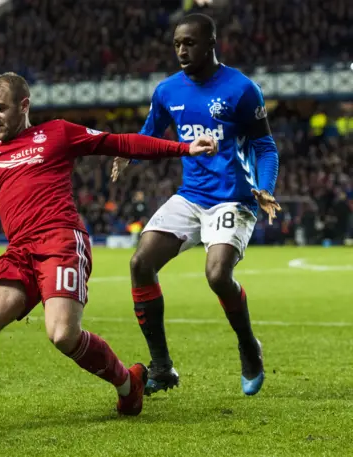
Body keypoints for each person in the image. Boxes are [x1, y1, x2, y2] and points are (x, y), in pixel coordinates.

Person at [0, 72, 217, 433]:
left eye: (1, 108)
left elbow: (119, 141)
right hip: (19, 251)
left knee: (63, 335)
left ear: (24, 105)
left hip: (61, 242)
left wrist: (183, 148)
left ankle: (129, 384)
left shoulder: (58, 133)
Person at [111, 13, 281, 396]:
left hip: (234, 198)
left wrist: (265, 187)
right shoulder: (168, 90)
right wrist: (127, 154)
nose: (182, 50)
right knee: (140, 263)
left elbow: (265, 146)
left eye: (189, 43)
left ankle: (249, 347)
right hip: (191, 196)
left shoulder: (242, 89)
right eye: (177, 44)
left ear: (211, 43)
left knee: (218, 275)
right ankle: (162, 367)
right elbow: (149, 135)